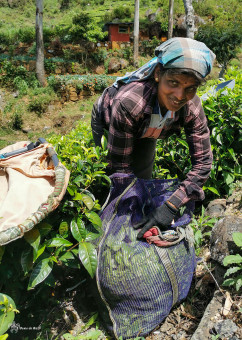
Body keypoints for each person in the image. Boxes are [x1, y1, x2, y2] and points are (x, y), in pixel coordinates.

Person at [91, 37, 216, 238]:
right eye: (173, 83)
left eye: (190, 88)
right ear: (158, 74)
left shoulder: (191, 108)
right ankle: (106, 229)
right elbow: (120, 168)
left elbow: (202, 163)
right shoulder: (131, 103)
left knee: (142, 177)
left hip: (149, 127)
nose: (179, 95)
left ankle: (136, 225)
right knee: (107, 178)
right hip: (109, 122)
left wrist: (169, 208)